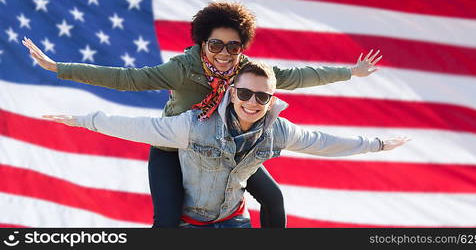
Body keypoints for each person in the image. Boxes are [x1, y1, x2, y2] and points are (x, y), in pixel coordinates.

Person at [22, 1, 383, 228]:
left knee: (273, 198)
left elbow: (298, 76)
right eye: (215, 45)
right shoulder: (183, 68)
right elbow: (129, 79)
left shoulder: (247, 71)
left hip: (226, 148)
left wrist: (350, 72)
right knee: (166, 221)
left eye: (233, 46)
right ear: (201, 44)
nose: (224, 53)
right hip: (175, 144)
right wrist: (60, 67)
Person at [44, 61, 409, 228]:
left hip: (233, 220)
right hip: (189, 221)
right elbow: (139, 125)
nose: (252, 102)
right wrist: (83, 120)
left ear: (271, 99)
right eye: (245, 94)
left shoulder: (277, 130)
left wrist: (376, 144)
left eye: (262, 97)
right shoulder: (194, 125)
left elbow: (322, 142)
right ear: (232, 93)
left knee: (274, 197)